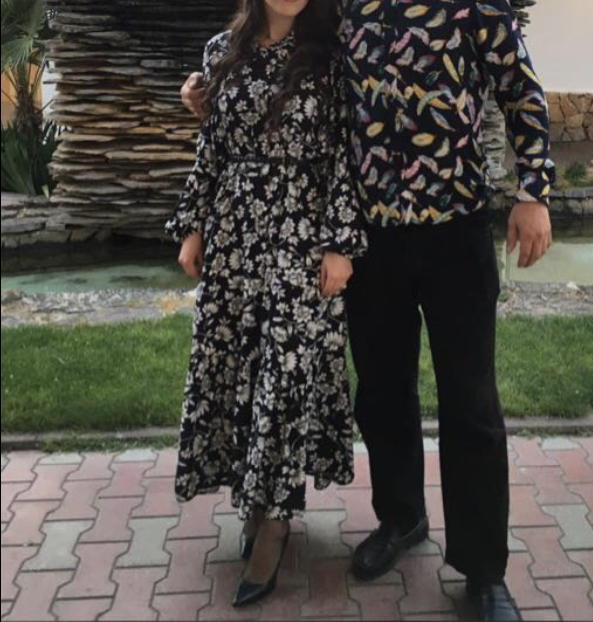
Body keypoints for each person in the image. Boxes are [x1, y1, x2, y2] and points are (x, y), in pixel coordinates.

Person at [181, 0, 555, 618]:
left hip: (456, 228)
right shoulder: (344, 8)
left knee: (472, 401)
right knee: (382, 392)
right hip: (371, 236)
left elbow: (521, 89)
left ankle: (484, 569)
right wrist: (210, 91)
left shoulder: (475, 6)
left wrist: (533, 191)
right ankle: (402, 518)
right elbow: (278, 51)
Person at [165, 0, 367, 607]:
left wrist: (340, 244)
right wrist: (193, 225)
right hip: (235, 236)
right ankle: (253, 500)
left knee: (285, 373)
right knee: (241, 372)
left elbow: (346, 155)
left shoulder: (332, 57)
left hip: (301, 235)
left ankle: (275, 522)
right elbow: (211, 148)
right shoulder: (220, 53)